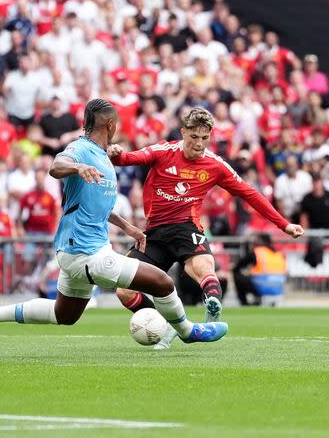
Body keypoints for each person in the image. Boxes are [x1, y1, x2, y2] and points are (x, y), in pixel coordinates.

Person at [0, 99, 228, 348]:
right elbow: (56, 165)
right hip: (84, 251)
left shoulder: (102, 155)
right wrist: (77, 167)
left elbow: (96, 205)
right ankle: (188, 331)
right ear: (110, 124)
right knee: (163, 283)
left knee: (65, 314)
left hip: (83, 249)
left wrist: (126, 226)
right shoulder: (81, 149)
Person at [107, 107, 304, 349]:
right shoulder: (163, 151)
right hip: (154, 233)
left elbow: (250, 193)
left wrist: (284, 224)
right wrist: (116, 153)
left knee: (203, 267)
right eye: (194, 137)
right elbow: (127, 159)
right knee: (124, 291)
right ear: (183, 133)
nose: (199, 144)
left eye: (204, 138)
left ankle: (212, 306)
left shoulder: (215, 165)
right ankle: (168, 325)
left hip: (186, 228)